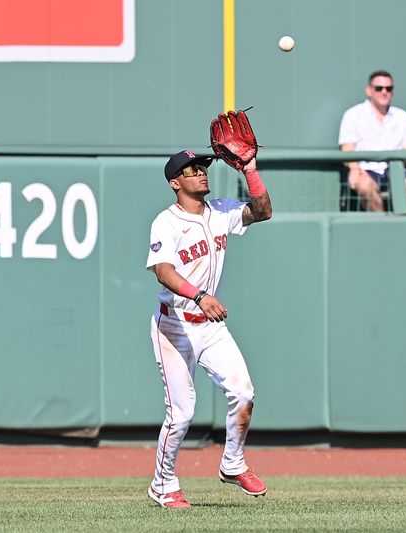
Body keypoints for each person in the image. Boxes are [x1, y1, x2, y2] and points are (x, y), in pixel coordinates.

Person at [145, 148, 272, 509]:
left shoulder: (222, 211)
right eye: (191, 169)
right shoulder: (166, 222)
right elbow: (163, 270)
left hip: (210, 326)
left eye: (202, 166)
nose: (201, 172)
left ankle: (233, 463)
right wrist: (200, 295)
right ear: (175, 182)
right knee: (182, 414)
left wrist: (250, 171)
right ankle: (163, 484)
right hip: (174, 325)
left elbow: (262, 212)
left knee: (244, 394)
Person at [338, 70, 406, 212]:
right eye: (379, 88)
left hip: (396, 170)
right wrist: (355, 169)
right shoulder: (353, 114)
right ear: (369, 91)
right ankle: (382, 223)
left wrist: (402, 162)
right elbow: (347, 147)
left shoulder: (401, 116)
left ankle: (399, 220)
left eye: (389, 88)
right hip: (366, 170)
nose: (384, 92)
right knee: (363, 185)